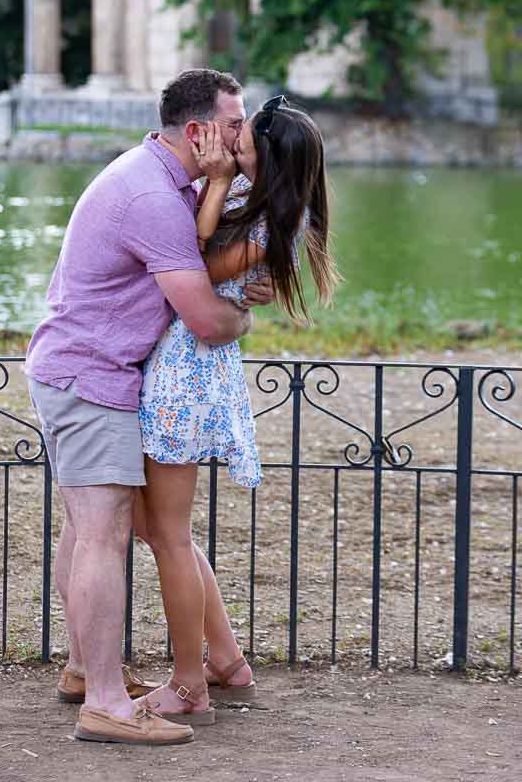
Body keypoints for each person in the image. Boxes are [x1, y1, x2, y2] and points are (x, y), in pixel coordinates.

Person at [25, 69, 273, 747]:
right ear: (197, 132)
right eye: (231, 123)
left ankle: (85, 671)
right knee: (101, 534)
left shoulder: (162, 180)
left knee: (88, 530)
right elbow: (203, 319)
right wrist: (241, 316)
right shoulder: (151, 196)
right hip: (92, 378)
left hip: (89, 372)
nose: (238, 134)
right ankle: (105, 702)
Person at [135, 94, 339, 724]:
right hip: (184, 365)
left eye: (240, 139)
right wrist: (224, 181)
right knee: (158, 529)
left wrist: (217, 181)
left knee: (167, 534)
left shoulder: (273, 216)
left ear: (266, 157)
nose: (228, 143)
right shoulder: (262, 200)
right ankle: (225, 661)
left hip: (186, 375)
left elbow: (190, 259)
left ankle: (189, 683)